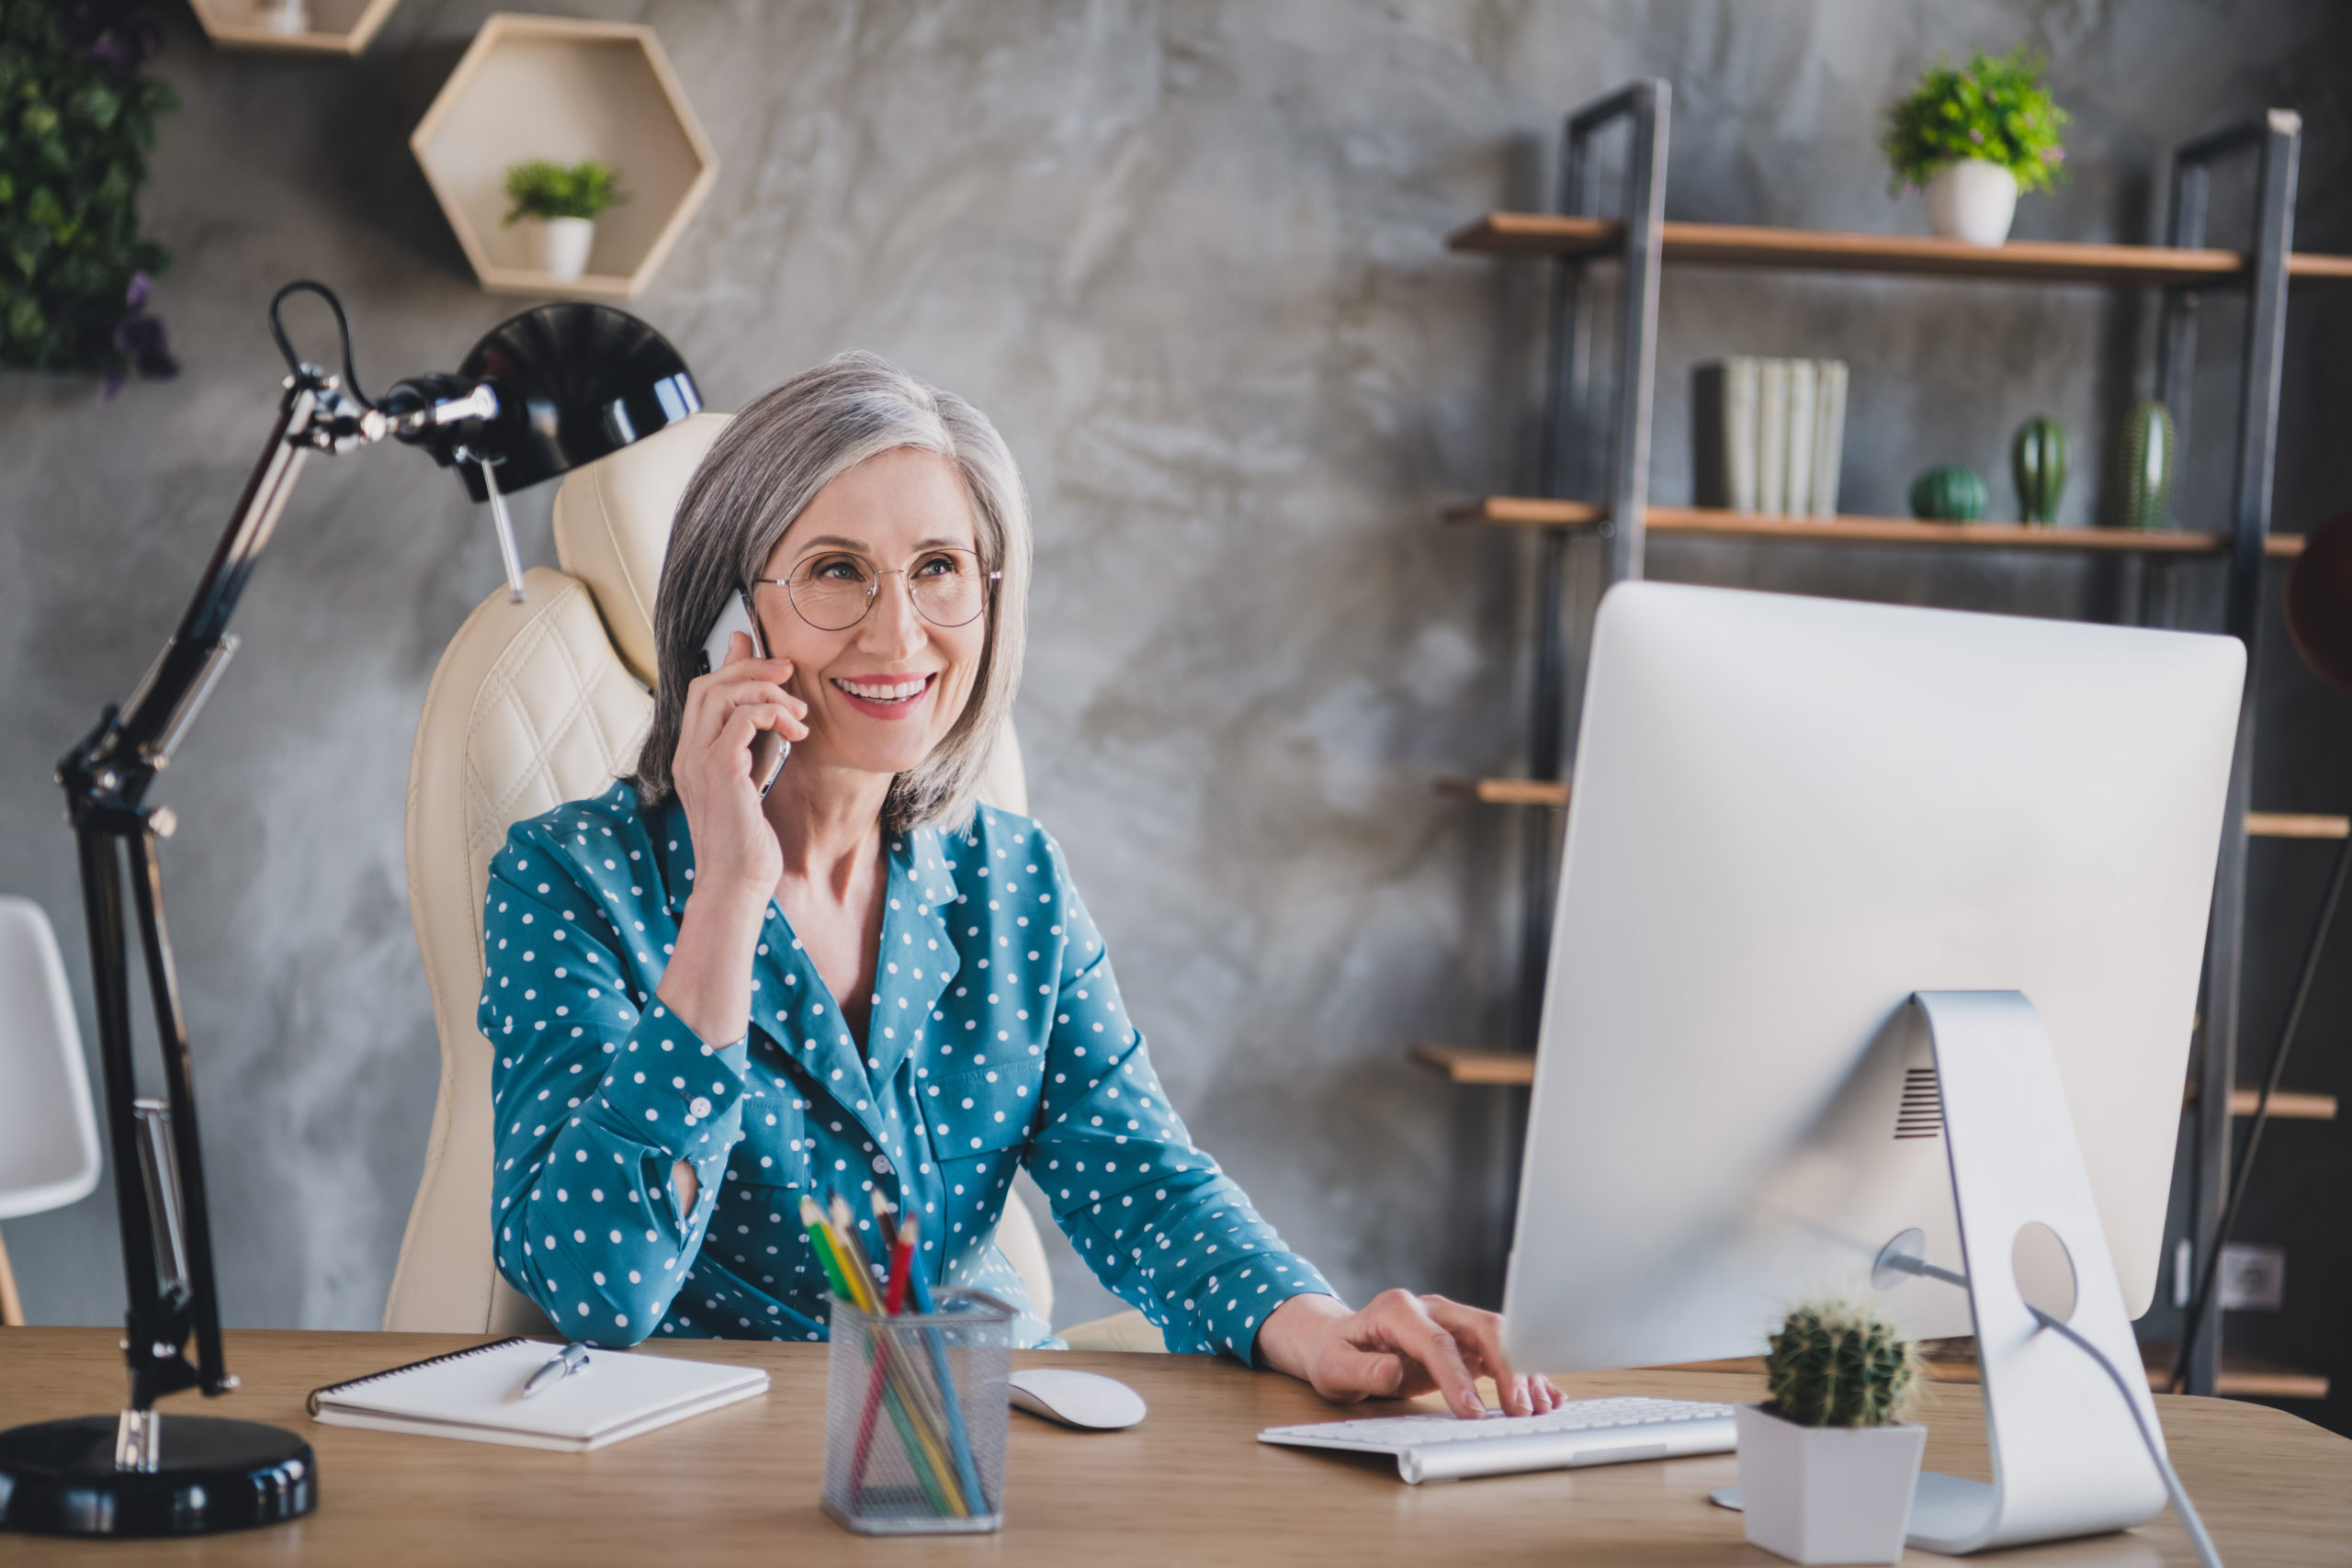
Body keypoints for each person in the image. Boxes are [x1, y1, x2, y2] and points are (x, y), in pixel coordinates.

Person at [481, 352, 1559, 1419]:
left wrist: (1319, 1326)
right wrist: (728, 888)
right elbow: (599, 1289)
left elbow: (1141, 1183)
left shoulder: (1011, 878)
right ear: (728, 617)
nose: (900, 632)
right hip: (718, 1457)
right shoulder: (569, 881)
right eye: (836, 569)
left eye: (940, 567)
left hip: (974, 1447)